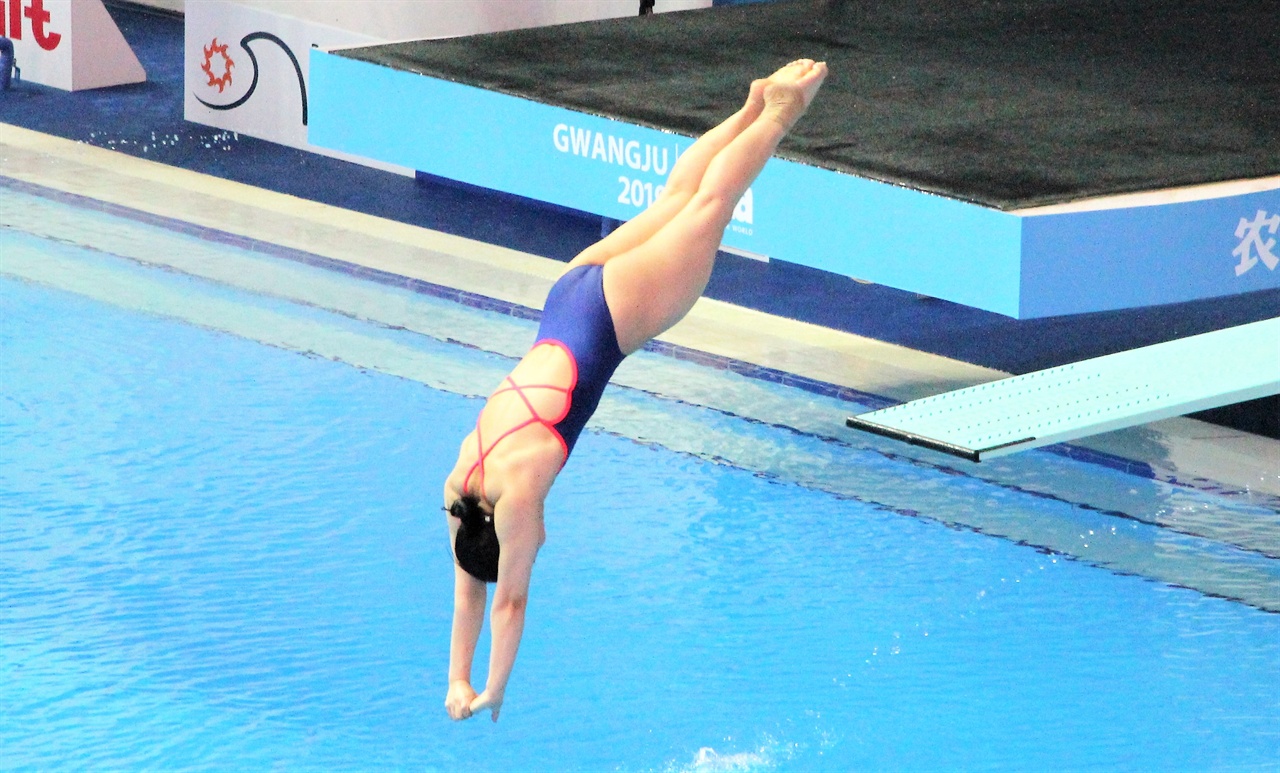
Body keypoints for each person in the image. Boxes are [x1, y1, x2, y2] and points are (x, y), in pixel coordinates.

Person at [441, 59, 828, 722]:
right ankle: (749, 106)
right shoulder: (459, 487)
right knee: (675, 201)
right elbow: (468, 592)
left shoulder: (519, 496)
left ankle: (780, 113)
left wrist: (496, 687)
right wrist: (456, 680)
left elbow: (506, 601)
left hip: (612, 321)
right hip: (567, 302)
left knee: (709, 209)